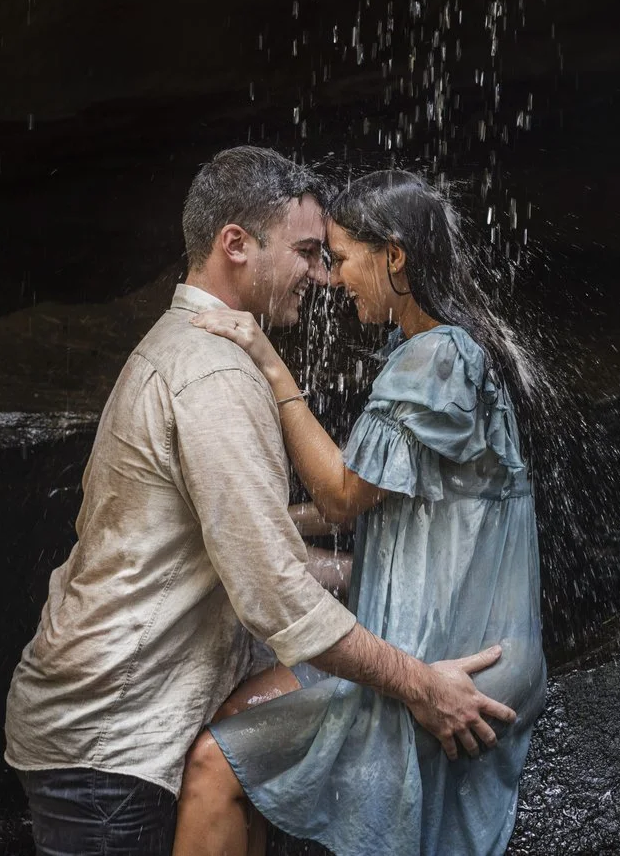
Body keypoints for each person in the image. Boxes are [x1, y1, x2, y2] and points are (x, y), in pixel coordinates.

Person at [3, 149, 515, 856]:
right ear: (235, 245)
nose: (322, 274)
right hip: (109, 745)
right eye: (308, 252)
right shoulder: (213, 371)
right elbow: (275, 587)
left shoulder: (198, 348)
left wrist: (372, 573)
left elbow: (248, 544)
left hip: (104, 733)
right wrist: (421, 684)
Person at [177, 169, 547, 856]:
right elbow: (390, 490)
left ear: (394, 255)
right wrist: (270, 517)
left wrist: (269, 364)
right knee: (236, 729)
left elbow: (344, 493)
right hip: (453, 642)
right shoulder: (442, 348)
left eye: (342, 259)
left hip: (457, 657)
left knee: (217, 756)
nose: (332, 278)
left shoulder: (440, 357)